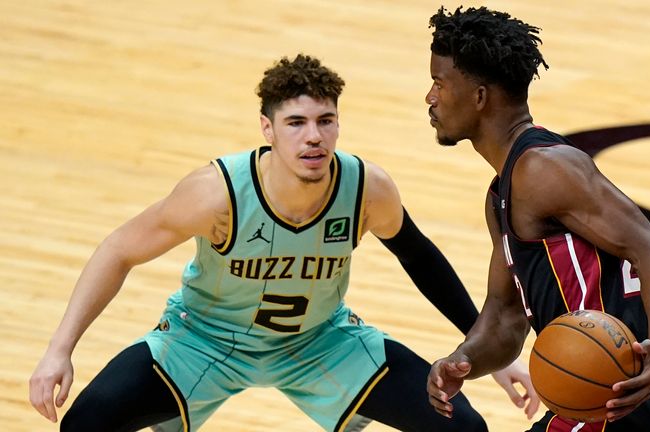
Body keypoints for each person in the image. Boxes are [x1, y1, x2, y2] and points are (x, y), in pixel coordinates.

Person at [28, 54, 537, 432]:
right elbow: (118, 250)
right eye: (296, 123)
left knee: (465, 428)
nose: (313, 137)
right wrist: (59, 350)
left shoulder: (365, 187)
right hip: (205, 340)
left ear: (338, 125)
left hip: (320, 341)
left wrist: (483, 350)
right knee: (84, 424)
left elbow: (419, 256)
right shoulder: (216, 193)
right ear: (268, 129)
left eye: (325, 121)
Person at [423, 6, 650, 432]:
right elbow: (506, 316)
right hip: (649, 390)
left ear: (480, 97)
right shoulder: (503, 191)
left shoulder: (540, 170)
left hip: (616, 397)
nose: (430, 97)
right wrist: (462, 360)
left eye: (439, 83)